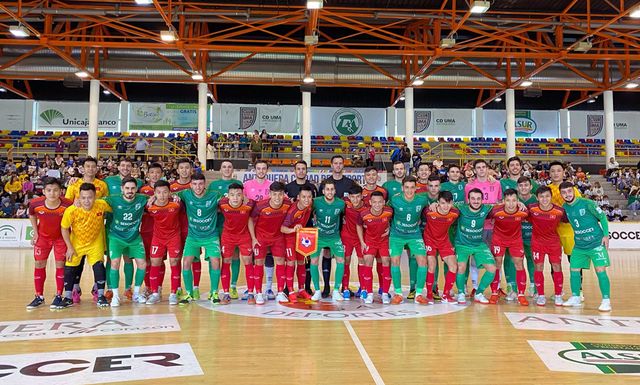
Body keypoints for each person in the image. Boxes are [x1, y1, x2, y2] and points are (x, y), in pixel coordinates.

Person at [560, 182, 612, 312]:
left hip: (596, 244)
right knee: (574, 270)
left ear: (574, 191)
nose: (567, 194)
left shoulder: (587, 203)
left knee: (600, 270)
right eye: (564, 192)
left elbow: (602, 217)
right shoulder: (564, 208)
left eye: (569, 191)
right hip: (579, 245)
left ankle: (606, 300)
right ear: (561, 194)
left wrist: (606, 235)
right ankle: (576, 297)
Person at [58, 183, 111, 308]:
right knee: (70, 268)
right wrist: (69, 247)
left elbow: (117, 205)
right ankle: (68, 297)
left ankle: (101, 296)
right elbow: (64, 228)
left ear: (95, 197)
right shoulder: (71, 210)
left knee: (99, 267)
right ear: (79, 197)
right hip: (77, 244)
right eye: (83, 198)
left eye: (90, 197)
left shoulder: (102, 205)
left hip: (95, 243)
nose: (87, 201)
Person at [174, 174, 222, 304]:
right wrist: (154, 197)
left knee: (215, 261)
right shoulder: (185, 194)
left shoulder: (215, 195)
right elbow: (167, 193)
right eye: (194, 184)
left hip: (211, 235)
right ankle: (189, 293)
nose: (198, 187)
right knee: (186, 263)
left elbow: (230, 199)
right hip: (193, 236)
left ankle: (214, 293)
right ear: (190, 185)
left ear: (204, 184)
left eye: (200, 184)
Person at [26, 178, 73, 309]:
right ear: (44, 191)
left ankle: (59, 296)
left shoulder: (68, 204)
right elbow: (32, 214)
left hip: (61, 239)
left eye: (56, 190)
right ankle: (39, 296)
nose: (52, 193)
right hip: (43, 238)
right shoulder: (35, 204)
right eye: (49, 190)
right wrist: (35, 232)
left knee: (60, 265)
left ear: (61, 191)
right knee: (39, 264)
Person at [102, 177, 149, 307]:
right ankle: (115, 296)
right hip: (116, 237)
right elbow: (95, 201)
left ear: (136, 189)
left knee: (142, 264)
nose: (130, 191)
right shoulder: (113, 199)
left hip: (134, 237)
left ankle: (136, 293)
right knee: (115, 262)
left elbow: (156, 195)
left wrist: (155, 198)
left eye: (133, 188)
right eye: (127, 188)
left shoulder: (142, 199)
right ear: (122, 188)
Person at [387, 176, 429, 305]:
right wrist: (386, 227)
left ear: (416, 188)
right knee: (395, 260)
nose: (409, 191)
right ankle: (398, 294)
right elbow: (387, 212)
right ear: (402, 188)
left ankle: (419, 294)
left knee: (423, 261)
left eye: (412, 188)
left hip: (414, 234)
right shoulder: (394, 200)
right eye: (407, 188)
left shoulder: (422, 200)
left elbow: (428, 210)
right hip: (396, 234)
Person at [318, 155, 356, 297]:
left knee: (345, 257)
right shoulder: (325, 183)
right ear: (331, 165)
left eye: (340, 163)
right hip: (329, 226)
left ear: (343, 165)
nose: (338, 166)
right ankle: (327, 286)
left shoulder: (350, 183)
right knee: (327, 253)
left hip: (345, 226)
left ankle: (343, 287)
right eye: (335, 163)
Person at [248, 182, 291, 304]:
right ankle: (259, 293)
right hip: (261, 237)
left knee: (280, 262)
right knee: (259, 263)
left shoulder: (288, 204)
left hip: (278, 237)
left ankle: (280, 292)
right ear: (270, 194)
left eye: (280, 194)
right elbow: (250, 218)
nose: (277, 197)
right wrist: (253, 238)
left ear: (284, 195)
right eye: (274, 194)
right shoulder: (261, 206)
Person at [453, 188, 497, 305]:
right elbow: (446, 205)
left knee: (492, 268)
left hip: (478, 244)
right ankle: (461, 293)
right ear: (468, 199)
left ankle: (479, 293)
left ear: (482, 200)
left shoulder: (486, 208)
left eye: (478, 199)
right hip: (462, 244)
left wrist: (518, 203)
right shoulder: (461, 208)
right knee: (461, 266)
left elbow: (501, 205)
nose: (476, 201)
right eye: (473, 198)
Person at [487, 189, 529, 306]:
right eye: (508, 200)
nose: (511, 204)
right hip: (498, 239)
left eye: (514, 200)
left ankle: (521, 294)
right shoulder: (495, 211)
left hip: (515, 240)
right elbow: (482, 214)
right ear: (503, 201)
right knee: (497, 263)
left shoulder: (523, 211)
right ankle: (494, 292)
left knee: (519, 263)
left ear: (518, 201)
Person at [207, 160, 243, 299]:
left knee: (234, 256)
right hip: (217, 226)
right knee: (215, 258)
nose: (227, 169)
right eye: (224, 167)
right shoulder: (213, 185)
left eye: (229, 167)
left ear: (232, 169)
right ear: (220, 169)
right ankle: (213, 288)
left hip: (234, 227)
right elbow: (210, 204)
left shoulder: (238, 184)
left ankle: (232, 286)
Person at [145, 180, 183, 305]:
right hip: (158, 238)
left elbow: (185, 194)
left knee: (174, 262)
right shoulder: (150, 206)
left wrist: (176, 196)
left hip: (173, 238)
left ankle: (173, 293)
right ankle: (155, 293)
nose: (162, 195)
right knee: (155, 262)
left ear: (169, 193)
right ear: (154, 193)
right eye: (159, 192)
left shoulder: (176, 204)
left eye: (165, 192)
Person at [548, 161, 582, 298]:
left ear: (563, 172)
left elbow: (578, 208)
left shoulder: (572, 189)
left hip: (569, 230)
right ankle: (558, 290)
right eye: (553, 171)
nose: (555, 173)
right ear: (549, 174)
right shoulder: (547, 189)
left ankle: (578, 291)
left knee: (573, 261)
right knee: (554, 262)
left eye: (558, 170)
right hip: (552, 231)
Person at [528, 185, 566, 307]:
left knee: (557, 267)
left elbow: (570, 220)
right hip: (537, 243)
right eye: (541, 197)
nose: (544, 199)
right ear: (537, 198)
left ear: (551, 197)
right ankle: (540, 295)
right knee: (538, 267)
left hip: (553, 243)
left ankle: (558, 295)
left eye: (547, 196)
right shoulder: (531, 209)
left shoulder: (559, 211)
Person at [284, 160, 318, 295]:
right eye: (298, 169)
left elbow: (315, 207)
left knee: (304, 261)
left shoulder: (312, 188)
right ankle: (289, 289)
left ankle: (305, 287)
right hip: (292, 230)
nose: (301, 171)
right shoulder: (288, 188)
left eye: (303, 168)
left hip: (306, 230)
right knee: (291, 262)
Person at [243, 160, 275, 299]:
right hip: (249, 224)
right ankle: (251, 287)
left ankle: (268, 288)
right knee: (251, 256)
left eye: (263, 168)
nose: (261, 171)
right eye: (258, 168)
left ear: (267, 170)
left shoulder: (272, 186)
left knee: (267, 254)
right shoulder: (247, 185)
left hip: (266, 226)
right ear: (254, 170)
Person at [218, 183, 255, 305]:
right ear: (228, 196)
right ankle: (226, 294)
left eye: (238, 195)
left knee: (248, 262)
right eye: (232, 195)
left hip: (244, 237)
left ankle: (250, 293)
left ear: (243, 196)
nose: (235, 198)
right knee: (226, 262)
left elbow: (253, 212)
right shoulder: (222, 204)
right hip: (227, 237)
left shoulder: (249, 205)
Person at [310, 180, 346, 302]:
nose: (330, 192)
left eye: (332, 189)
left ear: (335, 191)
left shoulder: (341, 204)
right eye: (327, 189)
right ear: (323, 191)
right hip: (318, 236)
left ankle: (336, 290)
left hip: (334, 236)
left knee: (341, 260)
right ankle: (317, 291)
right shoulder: (316, 202)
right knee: (314, 261)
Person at [422, 190, 459, 304]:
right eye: (442, 203)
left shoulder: (455, 213)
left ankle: (446, 295)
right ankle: (429, 294)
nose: (445, 206)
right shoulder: (429, 211)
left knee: (453, 266)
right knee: (432, 265)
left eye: (448, 203)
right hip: (430, 240)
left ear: (452, 203)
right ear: (438, 202)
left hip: (444, 241)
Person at [356, 191, 392, 304]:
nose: (377, 204)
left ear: (384, 202)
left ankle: (385, 293)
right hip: (370, 241)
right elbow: (358, 225)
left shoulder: (389, 212)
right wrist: (362, 242)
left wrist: (389, 229)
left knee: (386, 261)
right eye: (375, 202)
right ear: (370, 202)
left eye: (380, 202)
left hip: (383, 241)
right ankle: (369, 293)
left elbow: (393, 222)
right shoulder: (363, 214)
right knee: (368, 261)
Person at [281, 185, 314, 302]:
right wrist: (293, 229)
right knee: (291, 262)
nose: (306, 199)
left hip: (301, 237)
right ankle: (290, 291)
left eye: (309, 197)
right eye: (304, 197)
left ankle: (301, 289)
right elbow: (282, 228)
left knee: (301, 262)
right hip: (289, 237)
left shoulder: (309, 206)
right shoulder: (292, 211)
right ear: (298, 197)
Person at [139, 163, 164, 297]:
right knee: (147, 260)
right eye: (152, 172)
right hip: (146, 230)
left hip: (161, 231)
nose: (155, 175)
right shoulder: (142, 191)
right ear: (148, 175)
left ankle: (158, 287)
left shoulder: (166, 191)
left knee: (159, 260)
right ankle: (148, 286)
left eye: (157, 172)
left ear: (162, 174)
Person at [341, 185, 367, 300]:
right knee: (346, 260)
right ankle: (345, 288)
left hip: (361, 238)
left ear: (362, 196)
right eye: (353, 197)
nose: (355, 200)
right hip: (346, 236)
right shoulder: (345, 202)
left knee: (362, 261)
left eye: (357, 197)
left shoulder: (367, 207)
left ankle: (363, 287)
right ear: (349, 197)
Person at [516, 176, 538, 298]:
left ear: (531, 187)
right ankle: (514, 288)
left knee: (532, 261)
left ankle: (533, 286)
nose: (523, 188)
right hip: (517, 237)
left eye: (526, 185)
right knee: (516, 262)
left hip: (532, 237)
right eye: (521, 185)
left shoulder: (536, 200)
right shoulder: (513, 199)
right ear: (517, 187)